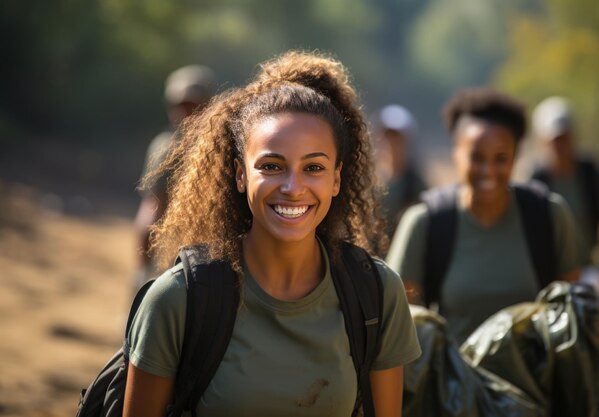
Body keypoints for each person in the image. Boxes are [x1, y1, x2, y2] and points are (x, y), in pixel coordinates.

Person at [123, 51, 420, 417]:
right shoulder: (177, 300)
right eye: (271, 166)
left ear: (337, 179)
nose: (293, 187)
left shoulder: (376, 295)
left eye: (313, 167)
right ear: (240, 174)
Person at [386, 87, 581, 343]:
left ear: (515, 158)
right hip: (452, 381)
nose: (488, 171)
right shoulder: (425, 222)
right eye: (476, 157)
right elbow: (397, 324)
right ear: (456, 155)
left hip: (536, 381)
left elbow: (571, 310)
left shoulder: (548, 215)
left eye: (500, 158)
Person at [133, 65, 216, 291]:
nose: (186, 114)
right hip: (174, 259)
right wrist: (144, 267)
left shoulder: (220, 147)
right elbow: (152, 209)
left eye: (193, 107)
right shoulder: (167, 147)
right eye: (182, 106)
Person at [530, 96, 599, 290]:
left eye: (565, 138)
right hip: (550, 281)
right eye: (555, 140)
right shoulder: (535, 183)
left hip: (591, 274)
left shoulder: (590, 174)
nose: (561, 146)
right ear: (542, 142)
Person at [371, 105, 427, 241]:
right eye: (387, 137)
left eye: (396, 138)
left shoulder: (415, 184)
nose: (390, 143)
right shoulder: (367, 182)